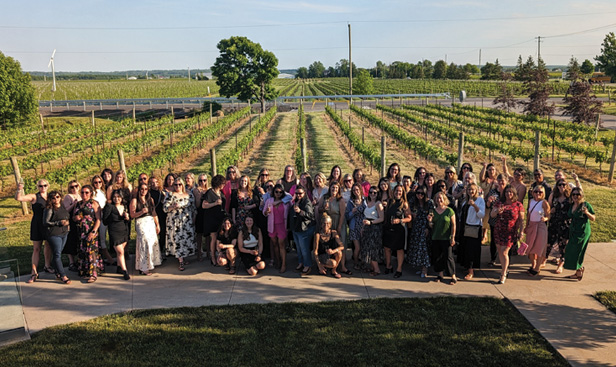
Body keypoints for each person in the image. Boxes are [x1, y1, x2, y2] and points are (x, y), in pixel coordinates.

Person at [16, 179, 53, 283]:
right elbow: (19, 198)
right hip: (37, 224)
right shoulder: (34, 196)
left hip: (48, 224)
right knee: (36, 249)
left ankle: (47, 266)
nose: (43, 188)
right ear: (38, 187)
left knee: (48, 246)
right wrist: (19, 190)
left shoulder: (51, 196)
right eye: (40, 186)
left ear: (48, 186)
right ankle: (34, 271)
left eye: (45, 185)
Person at [491, 185, 525, 284]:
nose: (508, 194)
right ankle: (504, 268)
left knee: (504, 251)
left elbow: (521, 220)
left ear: (514, 193)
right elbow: (492, 214)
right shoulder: (500, 203)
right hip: (499, 229)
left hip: (510, 231)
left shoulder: (518, 205)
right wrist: (497, 211)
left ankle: (503, 273)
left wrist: (521, 231)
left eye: (510, 192)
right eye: (506, 192)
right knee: (500, 251)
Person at [163, 178, 196, 271]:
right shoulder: (170, 195)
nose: (178, 186)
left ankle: (183, 257)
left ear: (182, 185)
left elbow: (193, 207)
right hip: (175, 221)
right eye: (176, 185)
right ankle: (180, 261)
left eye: (179, 184)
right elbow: (165, 208)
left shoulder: (189, 194)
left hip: (186, 221)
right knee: (178, 240)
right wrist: (173, 206)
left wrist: (194, 218)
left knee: (185, 239)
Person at [319, 181, 351, 275]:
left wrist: (339, 227)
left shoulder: (340, 200)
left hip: (338, 222)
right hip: (328, 223)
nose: (334, 190)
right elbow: (319, 209)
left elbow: (342, 215)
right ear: (330, 188)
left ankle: (343, 266)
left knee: (341, 244)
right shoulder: (325, 197)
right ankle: (331, 265)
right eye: (333, 188)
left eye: (336, 188)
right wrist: (324, 208)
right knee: (330, 244)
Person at [564, 188, 595, 281]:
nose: (575, 196)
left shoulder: (585, 205)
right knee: (570, 250)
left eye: (578, 195)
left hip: (582, 231)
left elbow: (593, 218)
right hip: (573, 230)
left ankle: (579, 271)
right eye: (573, 194)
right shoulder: (572, 205)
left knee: (579, 251)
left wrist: (587, 212)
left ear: (581, 195)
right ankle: (578, 271)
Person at [130, 183, 162, 276]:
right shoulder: (135, 201)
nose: (143, 191)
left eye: (145, 189)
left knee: (152, 242)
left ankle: (151, 263)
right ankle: (143, 267)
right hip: (141, 221)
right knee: (144, 242)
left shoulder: (150, 200)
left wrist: (157, 224)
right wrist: (141, 212)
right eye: (142, 189)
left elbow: (154, 212)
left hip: (150, 221)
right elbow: (132, 215)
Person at [74, 185, 102, 283]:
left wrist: (93, 231)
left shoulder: (93, 203)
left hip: (91, 230)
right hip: (81, 231)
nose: (84, 194)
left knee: (92, 251)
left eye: (86, 192)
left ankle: (93, 273)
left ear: (91, 193)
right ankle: (85, 270)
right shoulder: (78, 204)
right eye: (82, 192)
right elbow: (74, 217)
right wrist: (76, 218)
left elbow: (98, 219)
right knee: (83, 250)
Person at [383, 185, 412, 279]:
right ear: (393, 191)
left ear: (402, 192)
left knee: (399, 249)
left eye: (400, 191)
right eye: (396, 191)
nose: (398, 193)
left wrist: (400, 220)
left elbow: (409, 218)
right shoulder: (389, 202)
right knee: (387, 248)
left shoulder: (405, 204)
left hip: (399, 229)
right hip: (388, 227)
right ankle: (388, 266)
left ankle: (399, 269)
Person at [43, 191, 71, 284]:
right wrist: (58, 223)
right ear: (50, 199)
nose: (56, 199)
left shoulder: (62, 206)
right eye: (53, 198)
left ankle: (57, 272)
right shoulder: (49, 209)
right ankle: (63, 275)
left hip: (64, 233)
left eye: (58, 197)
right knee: (57, 254)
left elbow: (66, 216)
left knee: (57, 253)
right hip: (54, 234)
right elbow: (45, 222)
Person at [429, 192, 457, 285]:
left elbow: (453, 225)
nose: (439, 200)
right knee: (437, 256)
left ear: (444, 199)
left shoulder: (449, 211)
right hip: (436, 237)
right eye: (437, 198)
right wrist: (429, 222)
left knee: (448, 257)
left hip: (446, 237)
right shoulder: (433, 211)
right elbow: (431, 226)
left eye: (440, 198)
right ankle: (440, 275)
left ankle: (453, 276)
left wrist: (453, 237)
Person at [103, 190, 131, 280]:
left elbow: (128, 220)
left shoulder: (125, 206)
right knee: (120, 252)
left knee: (121, 251)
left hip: (123, 230)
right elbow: (105, 221)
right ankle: (125, 271)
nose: (116, 199)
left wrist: (127, 218)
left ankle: (119, 267)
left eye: (118, 197)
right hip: (114, 231)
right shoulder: (109, 207)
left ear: (122, 197)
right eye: (114, 197)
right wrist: (113, 219)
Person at [459, 184, 485, 281]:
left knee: (471, 250)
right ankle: (467, 267)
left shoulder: (480, 200)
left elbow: (482, 215)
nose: (471, 191)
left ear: (477, 190)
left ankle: (471, 271)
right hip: (465, 227)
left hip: (473, 228)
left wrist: (474, 205)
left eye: (473, 190)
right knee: (465, 249)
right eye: (469, 189)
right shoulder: (465, 200)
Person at [288, 185, 316, 275]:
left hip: (304, 229)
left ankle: (307, 265)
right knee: (299, 248)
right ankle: (301, 263)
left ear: (304, 193)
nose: (298, 195)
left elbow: (310, 216)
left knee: (304, 249)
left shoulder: (307, 202)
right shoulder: (296, 201)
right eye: (296, 193)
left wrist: (300, 211)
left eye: (300, 193)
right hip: (296, 228)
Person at [546, 178, 571, 274]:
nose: (562, 186)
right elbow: (548, 207)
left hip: (564, 224)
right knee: (549, 242)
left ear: (567, 186)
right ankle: (544, 259)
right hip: (554, 222)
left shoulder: (569, 197)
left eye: (564, 184)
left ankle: (561, 264)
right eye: (560, 185)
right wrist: (550, 211)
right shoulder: (554, 195)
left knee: (563, 245)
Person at [263, 184, 290, 273]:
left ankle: (284, 264)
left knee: (281, 244)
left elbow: (290, 197)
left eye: (280, 192)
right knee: (275, 244)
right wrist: (267, 211)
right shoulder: (269, 200)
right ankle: (277, 260)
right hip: (272, 225)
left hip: (282, 225)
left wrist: (280, 201)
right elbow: (264, 212)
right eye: (276, 192)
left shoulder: (285, 201)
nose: (278, 194)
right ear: (273, 192)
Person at [407, 186, 433, 278]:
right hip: (416, 228)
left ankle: (425, 269)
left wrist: (427, 227)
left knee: (424, 248)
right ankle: (421, 267)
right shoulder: (413, 202)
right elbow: (407, 210)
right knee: (418, 248)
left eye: (422, 193)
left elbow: (431, 215)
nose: (420, 195)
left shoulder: (429, 203)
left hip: (425, 227)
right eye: (418, 193)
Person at [525, 186, 550, 276]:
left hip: (540, 226)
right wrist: (526, 226)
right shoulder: (531, 201)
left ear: (543, 193)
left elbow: (549, 215)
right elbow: (528, 214)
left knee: (539, 248)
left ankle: (537, 268)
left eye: (540, 192)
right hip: (531, 225)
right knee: (530, 247)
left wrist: (545, 218)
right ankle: (533, 264)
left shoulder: (544, 203)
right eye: (536, 191)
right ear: (533, 192)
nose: (538, 193)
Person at [360, 187, 385, 276]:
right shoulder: (368, 203)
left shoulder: (378, 204)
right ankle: (372, 267)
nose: (372, 194)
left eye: (375, 193)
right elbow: (365, 217)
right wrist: (363, 228)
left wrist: (371, 222)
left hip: (375, 228)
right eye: (371, 192)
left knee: (373, 249)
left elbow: (382, 218)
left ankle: (377, 269)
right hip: (367, 227)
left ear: (378, 194)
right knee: (367, 248)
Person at [203, 175, 227, 265]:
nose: (224, 185)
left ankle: (220, 255)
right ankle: (213, 257)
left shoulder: (221, 193)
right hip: (211, 218)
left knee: (219, 237)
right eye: (222, 183)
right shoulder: (210, 192)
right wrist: (215, 203)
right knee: (213, 237)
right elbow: (204, 205)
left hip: (220, 218)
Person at [485, 174, 508, 266]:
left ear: (506, 181)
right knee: (494, 241)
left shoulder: (509, 191)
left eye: (502, 180)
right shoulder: (493, 191)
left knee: (505, 241)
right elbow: (487, 206)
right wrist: (489, 201)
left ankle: (505, 261)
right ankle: (493, 259)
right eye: (499, 180)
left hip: (506, 220)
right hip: (494, 220)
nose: (501, 182)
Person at [314, 213, 345, 279]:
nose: (326, 225)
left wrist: (333, 251)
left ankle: (334, 270)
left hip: (331, 253)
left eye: (328, 223)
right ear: (321, 224)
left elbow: (342, 246)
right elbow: (315, 251)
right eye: (324, 223)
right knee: (333, 263)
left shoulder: (333, 233)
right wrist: (319, 264)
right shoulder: (318, 235)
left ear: (330, 225)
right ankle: (321, 266)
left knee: (339, 252)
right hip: (322, 255)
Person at [62, 180, 82, 272]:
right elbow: (66, 210)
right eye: (72, 187)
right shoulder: (68, 197)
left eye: (76, 186)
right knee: (71, 240)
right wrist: (74, 204)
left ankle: (79, 260)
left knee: (79, 240)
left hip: (80, 220)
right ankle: (71, 262)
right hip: (71, 220)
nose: (74, 188)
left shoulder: (81, 195)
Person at [345, 183, 364, 269]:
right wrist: (352, 212)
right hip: (354, 227)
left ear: (360, 190)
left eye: (357, 190)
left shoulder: (365, 200)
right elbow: (347, 216)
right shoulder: (350, 202)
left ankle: (362, 263)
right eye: (354, 190)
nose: (356, 192)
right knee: (358, 247)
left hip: (364, 227)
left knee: (364, 247)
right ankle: (355, 263)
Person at [149, 176, 167, 258]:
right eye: (152, 182)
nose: (154, 184)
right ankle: (155, 253)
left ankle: (160, 250)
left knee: (163, 233)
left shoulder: (161, 192)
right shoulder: (148, 193)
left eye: (155, 182)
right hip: (153, 215)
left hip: (162, 215)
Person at [193, 174, 209, 261]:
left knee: (207, 235)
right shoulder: (195, 190)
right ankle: (199, 253)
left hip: (207, 214)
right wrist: (199, 195)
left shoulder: (209, 190)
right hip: (199, 213)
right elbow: (197, 205)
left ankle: (208, 253)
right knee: (199, 234)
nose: (202, 182)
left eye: (204, 180)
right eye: (200, 180)